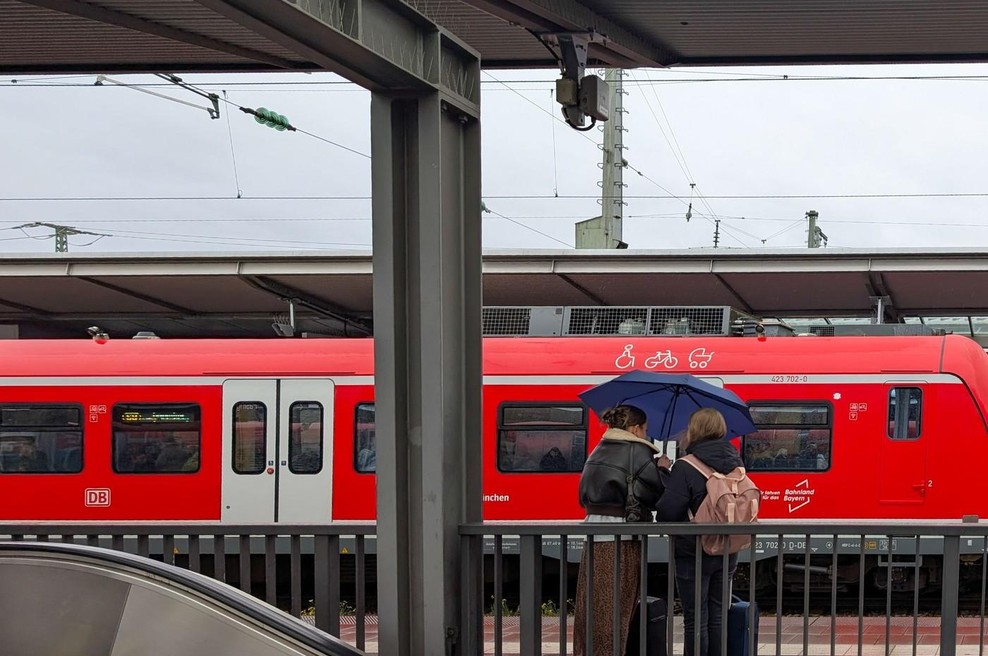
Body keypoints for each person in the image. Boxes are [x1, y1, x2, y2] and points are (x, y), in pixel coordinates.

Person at [574, 405, 671, 656]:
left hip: (594, 533)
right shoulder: (637, 451)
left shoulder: (599, 448)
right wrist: (661, 468)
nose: (645, 435)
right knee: (616, 607)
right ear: (635, 428)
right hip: (622, 538)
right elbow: (657, 494)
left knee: (591, 607)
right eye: (645, 430)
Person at [655, 407, 744, 656]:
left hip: (692, 550)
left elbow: (668, 513)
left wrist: (663, 472)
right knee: (718, 615)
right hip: (726, 548)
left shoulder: (686, 465)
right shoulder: (736, 462)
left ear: (694, 430)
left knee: (695, 619)